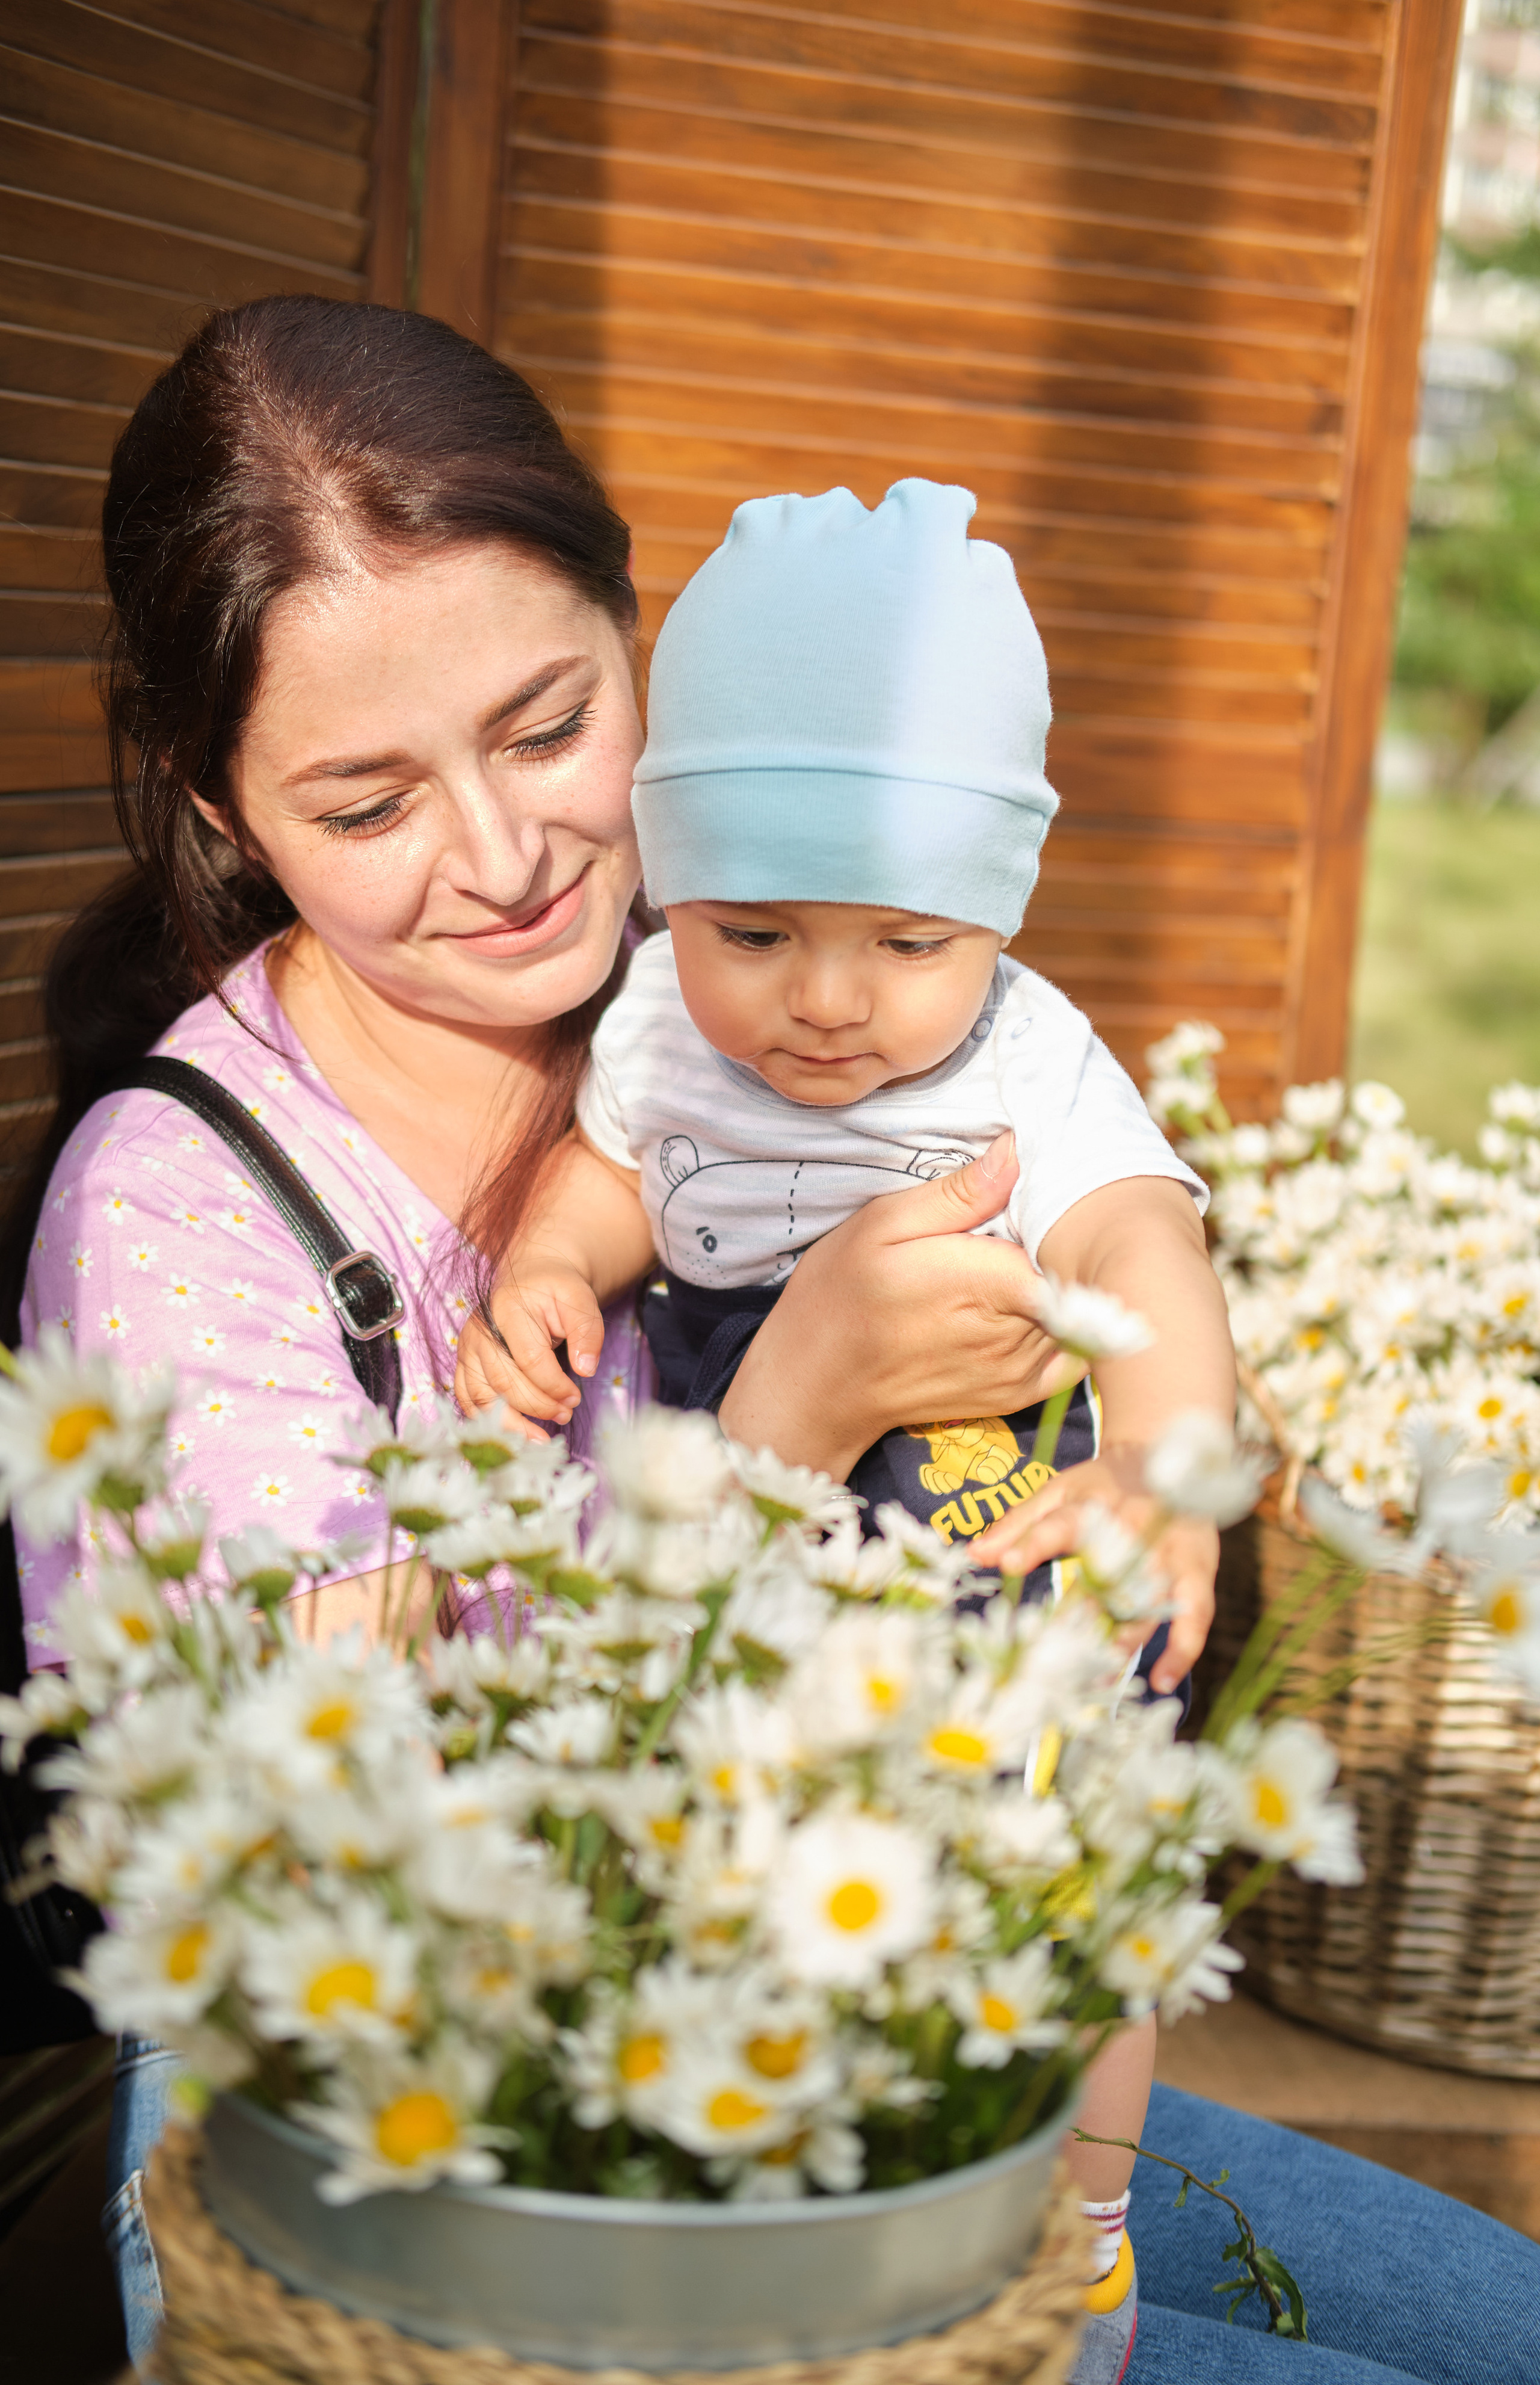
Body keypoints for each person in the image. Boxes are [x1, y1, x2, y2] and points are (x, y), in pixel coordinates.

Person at [5, 297, 1535, 2384]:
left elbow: (1112, 1209)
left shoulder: (756, 977)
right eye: (367, 804)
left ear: (661, 656)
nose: (508, 852)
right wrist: (801, 1404)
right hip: (434, 2152)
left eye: (550, 727)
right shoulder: (178, 1205)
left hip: (847, 2010)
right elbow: (359, 1887)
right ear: (226, 804)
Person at [452, 477, 1235, 2374]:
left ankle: (1092, 2221)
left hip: (988, 1521)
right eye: (756, 927)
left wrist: (1161, 1454)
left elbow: (1145, 1232)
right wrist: (554, 1262)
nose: (823, 1002)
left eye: (905, 940)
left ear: (995, 910)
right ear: (674, 886)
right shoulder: (653, 1023)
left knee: (1072, 1904)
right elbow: (618, 1178)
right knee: (797, 1894)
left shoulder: (1026, 1054)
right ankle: (841, 2193)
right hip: (769, 1532)